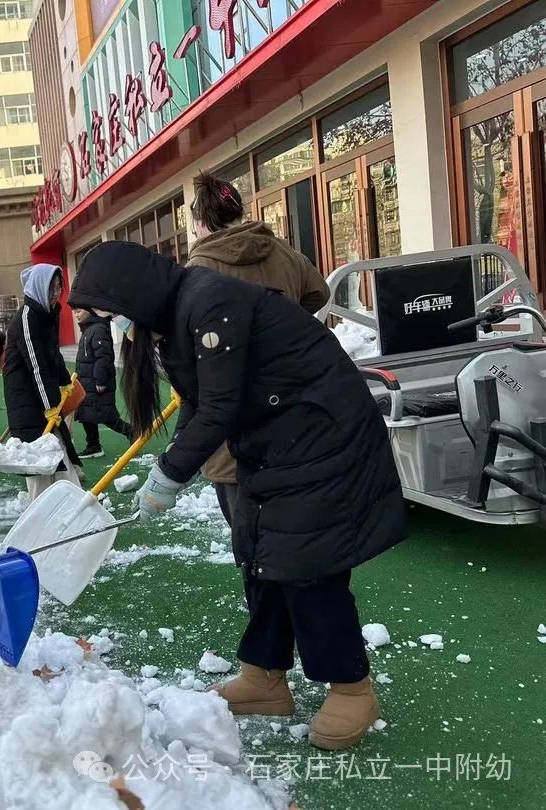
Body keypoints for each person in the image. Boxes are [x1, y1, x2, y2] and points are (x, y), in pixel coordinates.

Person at [69, 241, 405, 751]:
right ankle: (265, 676)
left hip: (321, 430)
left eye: (111, 313)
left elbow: (220, 407)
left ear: (130, 293)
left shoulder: (210, 301)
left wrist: (172, 471)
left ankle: (352, 688)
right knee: (256, 549)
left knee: (306, 558)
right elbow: (202, 401)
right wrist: (173, 461)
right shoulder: (175, 321)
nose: (115, 324)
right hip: (276, 439)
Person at [186, 172, 329, 527]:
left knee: (246, 526)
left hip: (235, 417)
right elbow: (319, 293)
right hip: (291, 409)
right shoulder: (282, 250)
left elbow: (185, 341)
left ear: (201, 222)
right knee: (296, 519)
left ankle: (261, 577)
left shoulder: (199, 268)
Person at [2, 264, 84, 500]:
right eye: (52, 287)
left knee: (59, 456)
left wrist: (64, 381)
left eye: (59, 287)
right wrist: (50, 404)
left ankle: (73, 507)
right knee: (37, 465)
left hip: (42, 398)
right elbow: (36, 365)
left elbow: (52, 355)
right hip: (26, 402)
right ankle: (41, 519)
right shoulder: (27, 319)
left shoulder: (48, 314)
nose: (57, 293)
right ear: (39, 287)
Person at [74, 308, 130, 458]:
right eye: (74, 311)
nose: (76, 314)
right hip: (86, 381)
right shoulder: (88, 329)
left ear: (88, 310)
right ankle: (93, 445)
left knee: (107, 416)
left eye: (78, 310)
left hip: (96, 382)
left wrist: (100, 379)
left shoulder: (98, 329)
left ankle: (132, 432)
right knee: (86, 414)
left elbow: (103, 356)